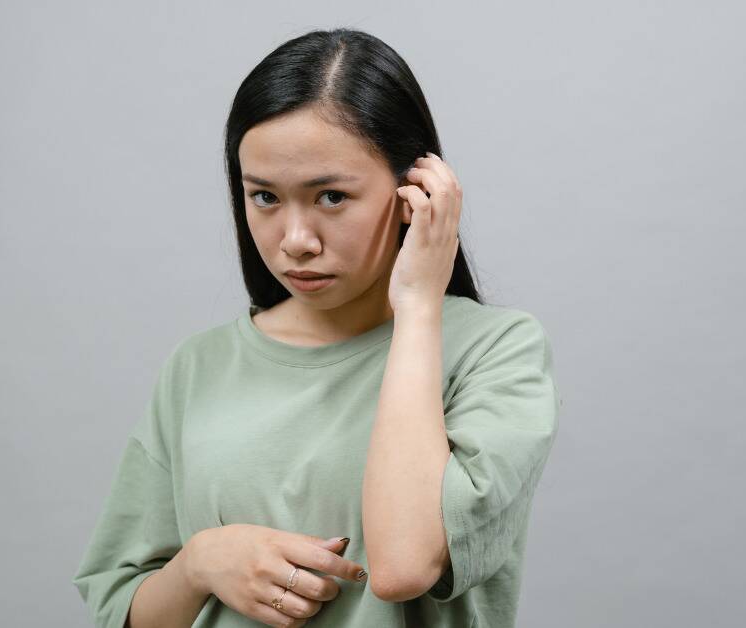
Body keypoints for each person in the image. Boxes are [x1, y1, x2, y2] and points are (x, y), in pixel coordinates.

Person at [71, 28, 562, 628]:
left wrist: (417, 307)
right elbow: (122, 611)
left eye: (331, 196)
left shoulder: (497, 352)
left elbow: (406, 565)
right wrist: (201, 562)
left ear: (415, 192)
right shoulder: (198, 365)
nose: (295, 242)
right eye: (264, 198)